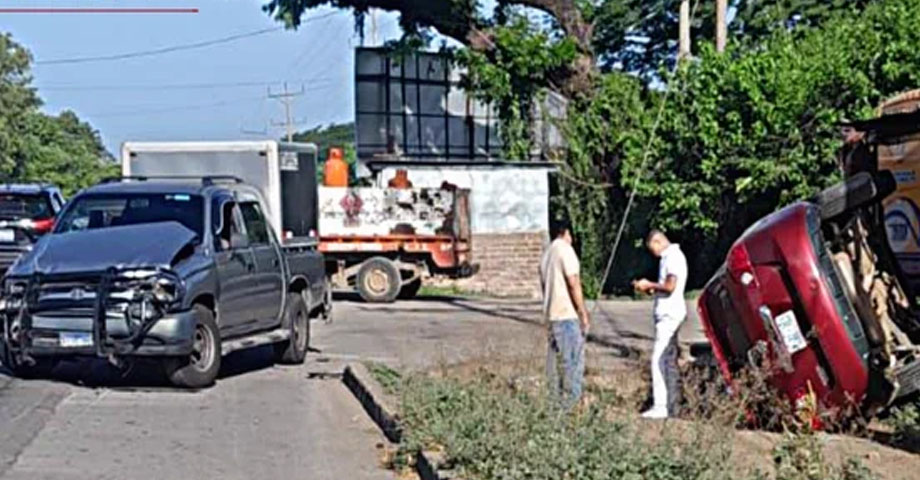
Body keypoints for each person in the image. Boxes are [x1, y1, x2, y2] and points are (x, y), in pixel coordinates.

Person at [632, 230, 688, 419]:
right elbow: (665, 288)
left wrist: (649, 284)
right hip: (669, 311)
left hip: (669, 314)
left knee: (658, 359)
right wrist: (652, 290)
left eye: (652, 248)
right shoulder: (671, 256)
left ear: (658, 242)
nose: (653, 253)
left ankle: (661, 405)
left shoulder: (672, 257)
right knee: (669, 360)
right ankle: (674, 404)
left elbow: (670, 286)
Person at [540, 219, 590, 409]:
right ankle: (570, 410)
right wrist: (583, 312)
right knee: (572, 366)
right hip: (566, 317)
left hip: (551, 318)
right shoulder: (565, 250)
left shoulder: (546, 254)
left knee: (555, 370)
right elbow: (573, 282)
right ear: (567, 232)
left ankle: (554, 411)